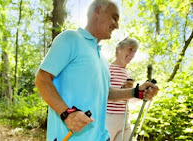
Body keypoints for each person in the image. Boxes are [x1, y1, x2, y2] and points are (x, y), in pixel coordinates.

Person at [35, 0, 159, 140]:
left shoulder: (102, 59)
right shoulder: (71, 38)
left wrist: (136, 92)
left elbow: (106, 93)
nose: (117, 25)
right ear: (98, 11)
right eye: (114, 18)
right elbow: (42, 78)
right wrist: (66, 113)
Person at [106, 37, 140, 141]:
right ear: (118, 49)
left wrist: (141, 94)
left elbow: (130, 100)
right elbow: (104, 94)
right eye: (130, 49)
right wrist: (123, 90)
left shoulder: (128, 73)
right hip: (108, 118)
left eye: (134, 51)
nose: (132, 54)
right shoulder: (107, 68)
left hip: (124, 119)